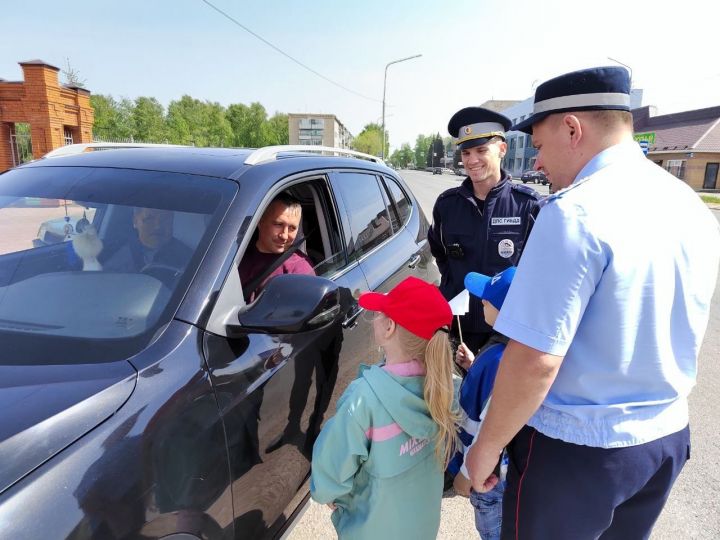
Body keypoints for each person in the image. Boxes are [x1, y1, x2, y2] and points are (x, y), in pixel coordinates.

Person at [465, 66, 720, 539]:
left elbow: (536, 359)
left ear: (572, 128)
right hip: (663, 440)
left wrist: (485, 448)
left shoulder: (573, 213)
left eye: (538, 147)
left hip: (579, 452)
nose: (537, 165)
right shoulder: (689, 204)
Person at [310, 276, 458, 540]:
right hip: (422, 528)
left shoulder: (363, 400)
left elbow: (329, 474)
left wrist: (330, 495)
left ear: (389, 328)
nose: (375, 317)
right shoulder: (443, 386)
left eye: (380, 312)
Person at [428, 107, 541, 354]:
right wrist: (452, 285)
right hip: (460, 329)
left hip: (507, 332)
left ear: (502, 150)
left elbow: (539, 271)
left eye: (481, 150)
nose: (471, 160)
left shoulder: (527, 205)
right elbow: (440, 253)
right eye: (466, 152)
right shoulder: (447, 205)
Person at [448, 266, 516, 540]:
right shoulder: (508, 349)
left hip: (488, 477)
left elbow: (493, 424)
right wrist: (474, 365)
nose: (483, 300)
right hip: (496, 472)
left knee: (494, 531)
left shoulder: (502, 361)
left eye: (489, 298)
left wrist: (467, 474)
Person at [239, 193, 315, 302]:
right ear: (260, 222)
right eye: (278, 224)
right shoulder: (235, 255)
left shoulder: (299, 269)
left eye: (292, 228)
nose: (284, 235)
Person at [103, 207, 192, 274]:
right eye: (149, 219)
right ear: (135, 221)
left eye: (165, 219)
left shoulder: (189, 259)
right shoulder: (111, 252)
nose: (158, 226)